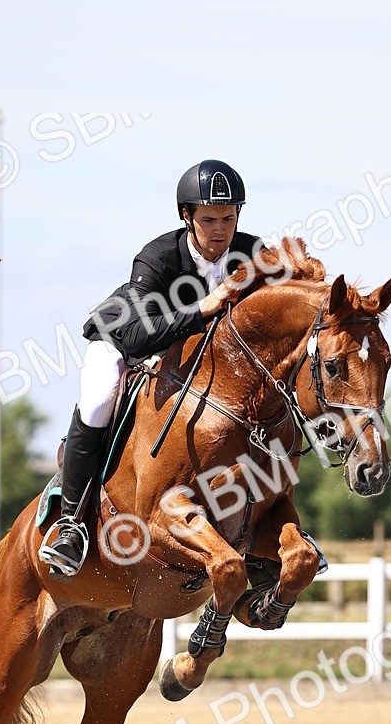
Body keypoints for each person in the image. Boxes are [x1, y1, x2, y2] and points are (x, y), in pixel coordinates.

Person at [39, 159, 263, 579]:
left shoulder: (252, 253)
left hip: (192, 356)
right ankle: (70, 523)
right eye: (210, 219)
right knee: (101, 394)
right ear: (187, 217)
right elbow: (143, 337)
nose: (221, 230)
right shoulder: (157, 258)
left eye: (229, 218)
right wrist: (203, 308)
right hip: (125, 339)